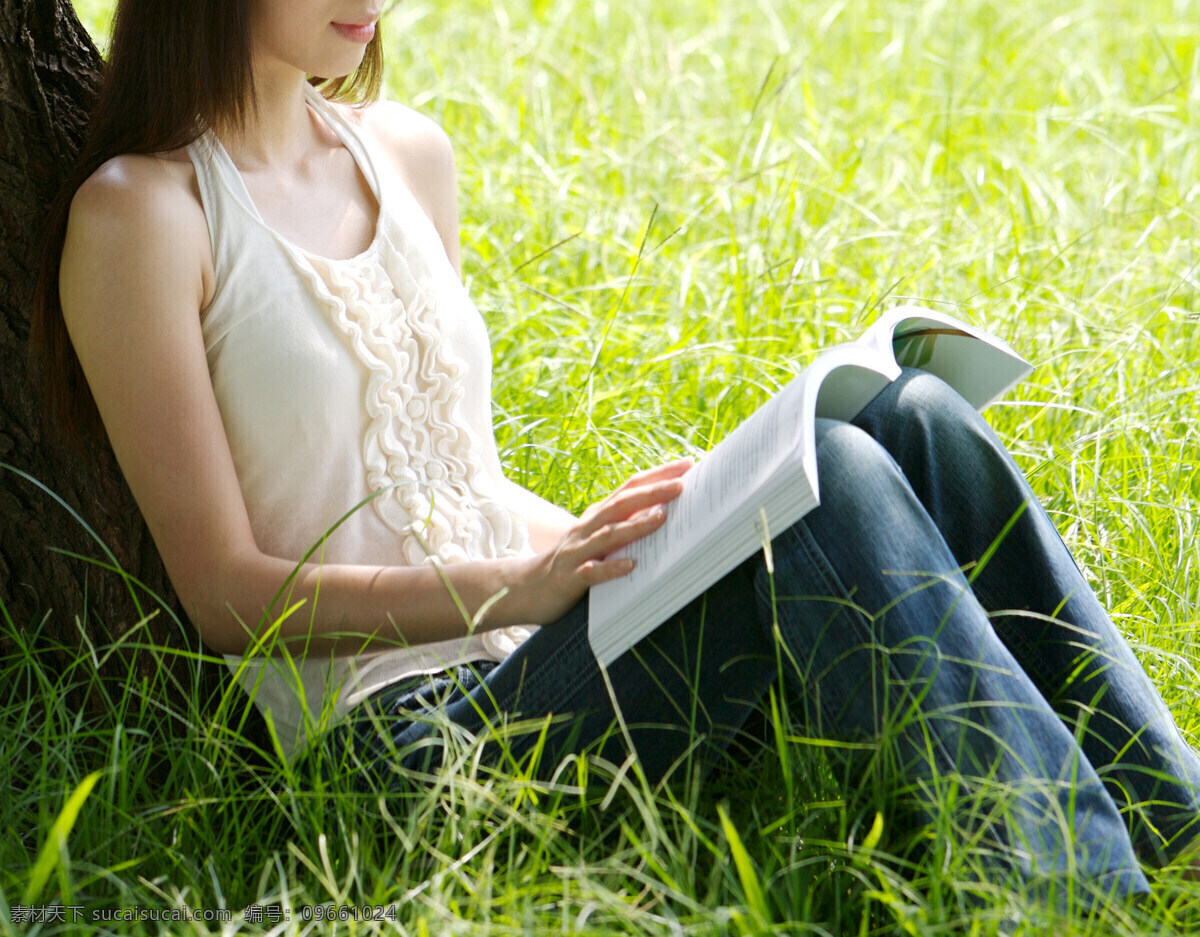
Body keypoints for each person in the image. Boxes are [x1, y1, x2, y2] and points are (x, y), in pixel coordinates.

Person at [31, 0, 1200, 910]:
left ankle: (1177, 823)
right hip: (401, 750)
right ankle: (1062, 891)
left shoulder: (404, 152)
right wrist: (514, 589)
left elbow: (456, 479)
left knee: (909, 420)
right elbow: (227, 594)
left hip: (541, 651)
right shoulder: (144, 218)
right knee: (836, 478)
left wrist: (670, 516)